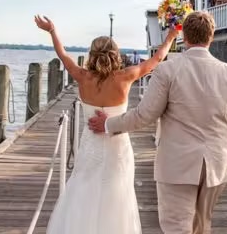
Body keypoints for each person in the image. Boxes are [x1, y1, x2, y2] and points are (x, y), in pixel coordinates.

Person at [88, 11, 227, 234]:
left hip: (177, 165)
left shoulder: (168, 70)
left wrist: (108, 124)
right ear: (211, 37)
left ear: (185, 38)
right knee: (201, 227)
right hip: (217, 165)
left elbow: (145, 114)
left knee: (176, 227)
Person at [34, 14, 179, 234]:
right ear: (115, 54)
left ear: (92, 54)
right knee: (117, 195)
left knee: (84, 191)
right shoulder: (126, 76)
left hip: (89, 146)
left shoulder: (82, 77)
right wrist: (171, 35)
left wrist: (53, 30)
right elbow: (157, 58)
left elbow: (62, 55)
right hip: (117, 148)